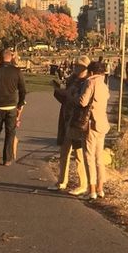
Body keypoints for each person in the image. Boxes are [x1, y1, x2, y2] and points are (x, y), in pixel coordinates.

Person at [68, 59, 113, 198]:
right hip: (102, 124)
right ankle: (100, 188)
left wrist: (73, 96)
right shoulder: (104, 84)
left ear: (91, 72)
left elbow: (83, 101)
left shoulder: (90, 82)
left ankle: (91, 189)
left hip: (91, 125)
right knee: (99, 158)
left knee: (89, 156)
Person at [0, 48, 26, 165]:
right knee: (10, 132)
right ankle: (7, 158)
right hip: (11, 106)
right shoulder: (17, 72)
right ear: (11, 57)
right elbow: (22, 90)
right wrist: (20, 103)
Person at [53, 60, 88, 192]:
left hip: (78, 122)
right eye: (76, 66)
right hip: (66, 119)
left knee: (79, 153)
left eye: (79, 66)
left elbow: (82, 102)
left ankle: (83, 184)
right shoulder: (71, 80)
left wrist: (67, 95)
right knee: (64, 151)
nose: (76, 68)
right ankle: (61, 181)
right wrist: (58, 92)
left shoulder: (87, 82)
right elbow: (66, 99)